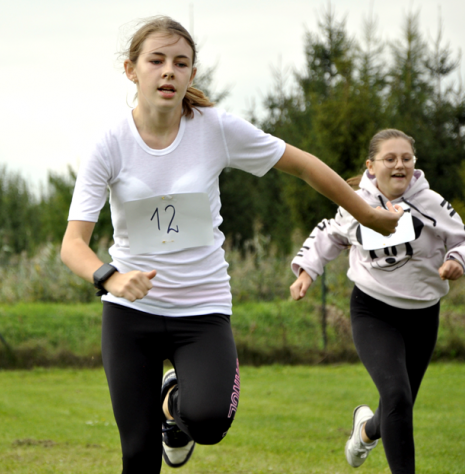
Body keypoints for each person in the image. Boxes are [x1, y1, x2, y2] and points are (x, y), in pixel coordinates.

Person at [60, 16, 402, 473]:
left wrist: (371, 215)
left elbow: (302, 165)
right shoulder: (109, 144)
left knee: (209, 421)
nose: (168, 71)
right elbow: (72, 245)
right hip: (131, 315)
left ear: (191, 75)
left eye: (181, 63)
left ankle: (173, 407)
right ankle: (165, 417)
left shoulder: (213, 129)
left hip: (202, 309)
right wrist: (111, 278)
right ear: (131, 70)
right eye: (156, 60)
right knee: (137, 456)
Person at [289, 129, 465, 473]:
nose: (399, 165)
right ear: (371, 165)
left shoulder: (432, 203)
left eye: (406, 159)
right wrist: (306, 271)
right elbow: (329, 234)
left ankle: (365, 431)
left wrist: (457, 260)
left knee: (400, 405)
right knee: (396, 396)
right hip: (373, 311)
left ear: (415, 165)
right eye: (390, 159)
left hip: (423, 315)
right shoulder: (355, 203)